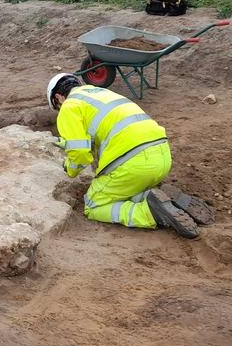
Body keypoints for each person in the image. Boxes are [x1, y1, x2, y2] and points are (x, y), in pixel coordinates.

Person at [46, 73, 211, 239]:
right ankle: (163, 198)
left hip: (133, 164)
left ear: (59, 97)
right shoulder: (101, 94)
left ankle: (149, 212)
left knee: (93, 204)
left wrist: (71, 169)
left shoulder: (69, 106)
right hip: (162, 157)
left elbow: (80, 153)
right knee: (123, 190)